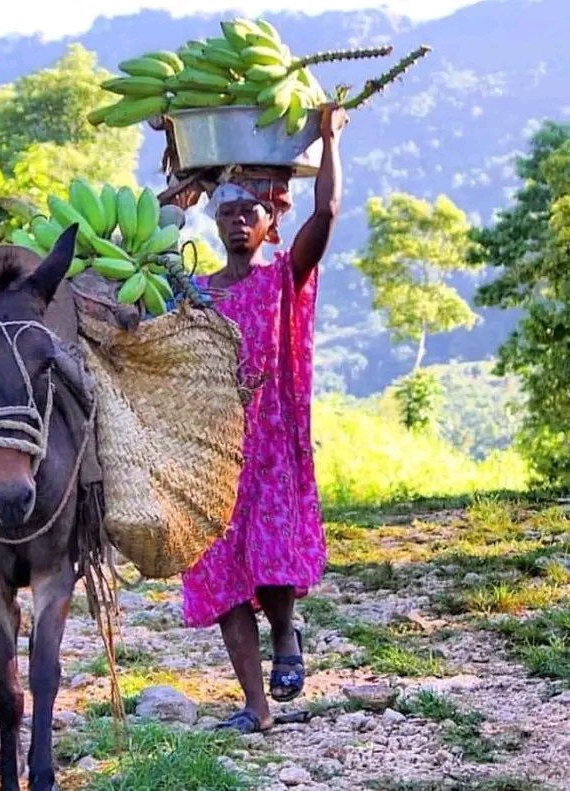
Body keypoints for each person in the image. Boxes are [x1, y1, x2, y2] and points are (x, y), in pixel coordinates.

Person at [179, 102, 348, 734]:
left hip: (272, 439)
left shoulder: (286, 279)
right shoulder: (198, 291)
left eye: (248, 212)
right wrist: (177, 185)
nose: (235, 222)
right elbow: (138, 270)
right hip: (213, 449)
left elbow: (326, 212)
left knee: (271, 557)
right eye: (224, 212)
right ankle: (256, 706)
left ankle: (284, 634)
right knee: (223, 573)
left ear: (270, 222)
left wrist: (328, 141)